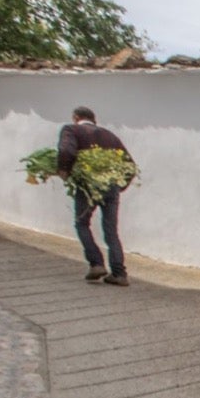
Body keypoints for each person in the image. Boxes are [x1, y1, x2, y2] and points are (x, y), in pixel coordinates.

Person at [57, 106, 131, 286]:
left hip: (88, 184)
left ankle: (96, 263)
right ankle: (119, 274)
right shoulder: (109, 136)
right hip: (111, 185)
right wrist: (119, 186)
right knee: (111, 230)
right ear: (94, 119)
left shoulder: (71, 129)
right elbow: (129, 164)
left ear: (76, 117)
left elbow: (66, 151)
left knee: (82, 223)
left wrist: (64, 170)